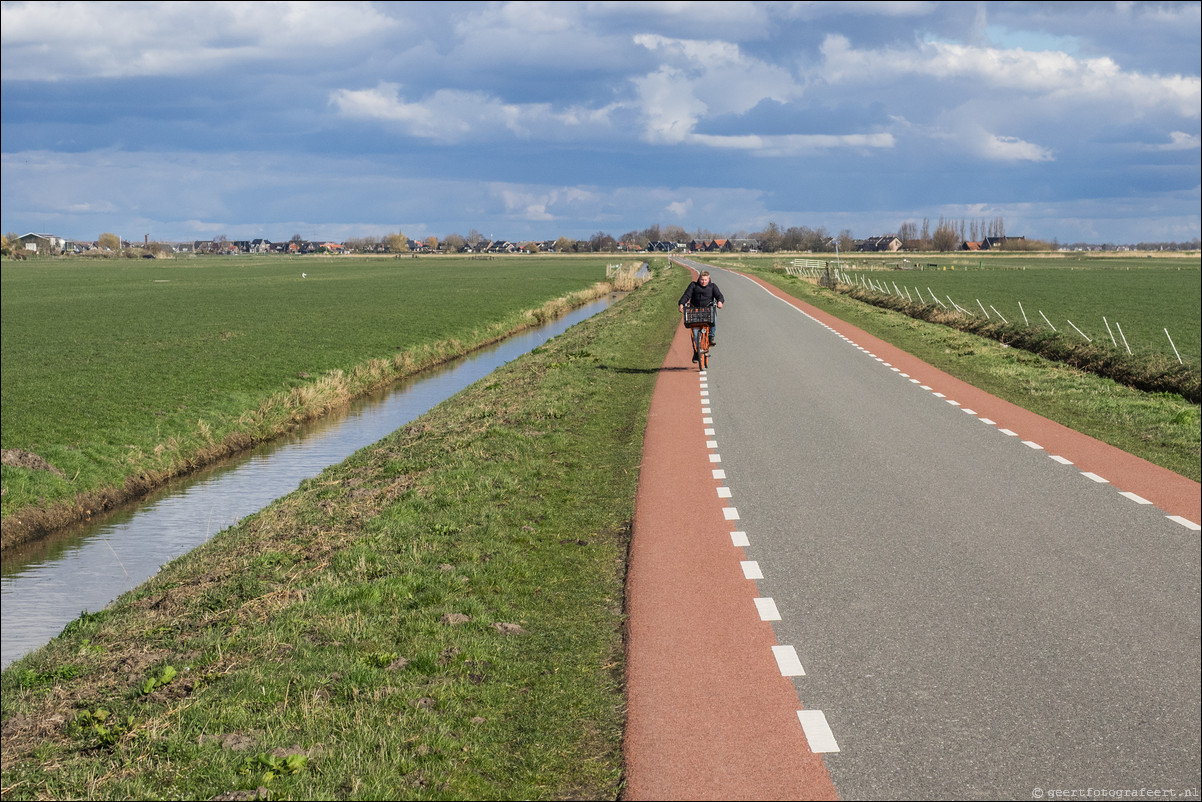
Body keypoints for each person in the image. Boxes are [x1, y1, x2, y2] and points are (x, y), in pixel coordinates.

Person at [678, 270, 724, 347]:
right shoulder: (693, 285)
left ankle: (711, 337)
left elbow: (719, 296)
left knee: (714, 320)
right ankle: (697, 353)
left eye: (705, 280)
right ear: (699, 279)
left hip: (708, 311)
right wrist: (681, 304)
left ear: (708, 279)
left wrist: (720, 302)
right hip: (695, 311)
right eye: (702, 279)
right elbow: (686, 295)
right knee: (695, 333)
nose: (703, 282)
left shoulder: (712, 286)